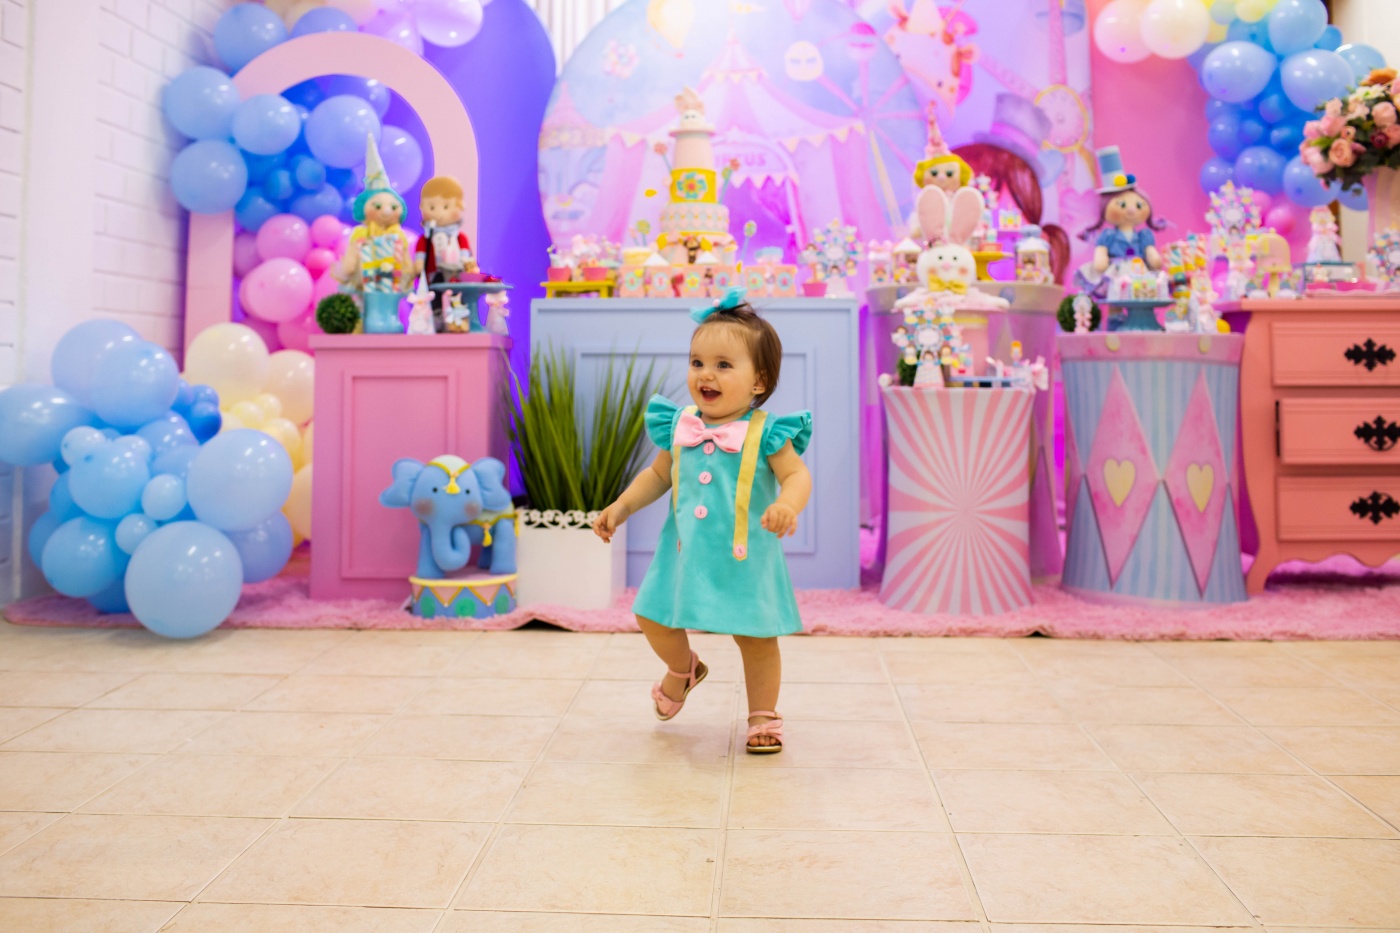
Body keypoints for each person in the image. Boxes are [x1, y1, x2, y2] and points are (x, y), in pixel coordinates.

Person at [591, 287, 812, 754]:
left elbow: (796, 475)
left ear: (758, 381)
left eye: (723, 365)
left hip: (744, 555)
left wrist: (788, 505)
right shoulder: (681, 425)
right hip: (685, 551)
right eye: (697, 362)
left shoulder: (767, 432)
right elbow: (658, 475)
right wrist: (621, 506)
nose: (705, 374)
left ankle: (763, 715)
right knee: (651, 616)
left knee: (755, 638)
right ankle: (683, 668)